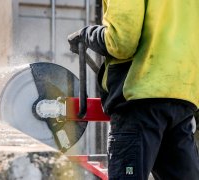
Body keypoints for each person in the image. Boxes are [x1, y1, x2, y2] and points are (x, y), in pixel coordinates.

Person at [68, 0, 199, 179]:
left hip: (139, 99)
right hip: (183, 96)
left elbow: (121, 42)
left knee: (127, 174)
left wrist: (87, 35)